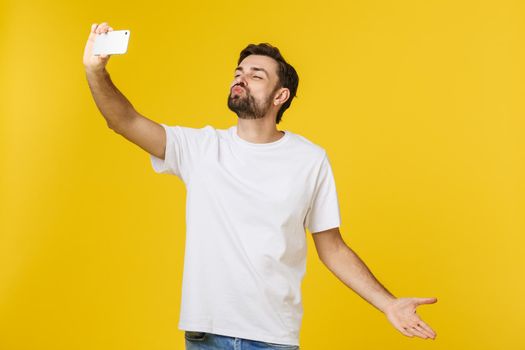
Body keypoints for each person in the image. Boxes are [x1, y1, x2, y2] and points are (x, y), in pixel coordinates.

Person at [83, 22, 438, 350]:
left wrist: (388, 303)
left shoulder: (309, 159)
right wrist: (95, 70)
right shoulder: (201, 149)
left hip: (271, 337)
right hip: (207, 335)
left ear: (280, 96)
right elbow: (122, 120)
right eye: (239, 73)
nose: (241, 79)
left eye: (256, 75)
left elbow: (332, 247)